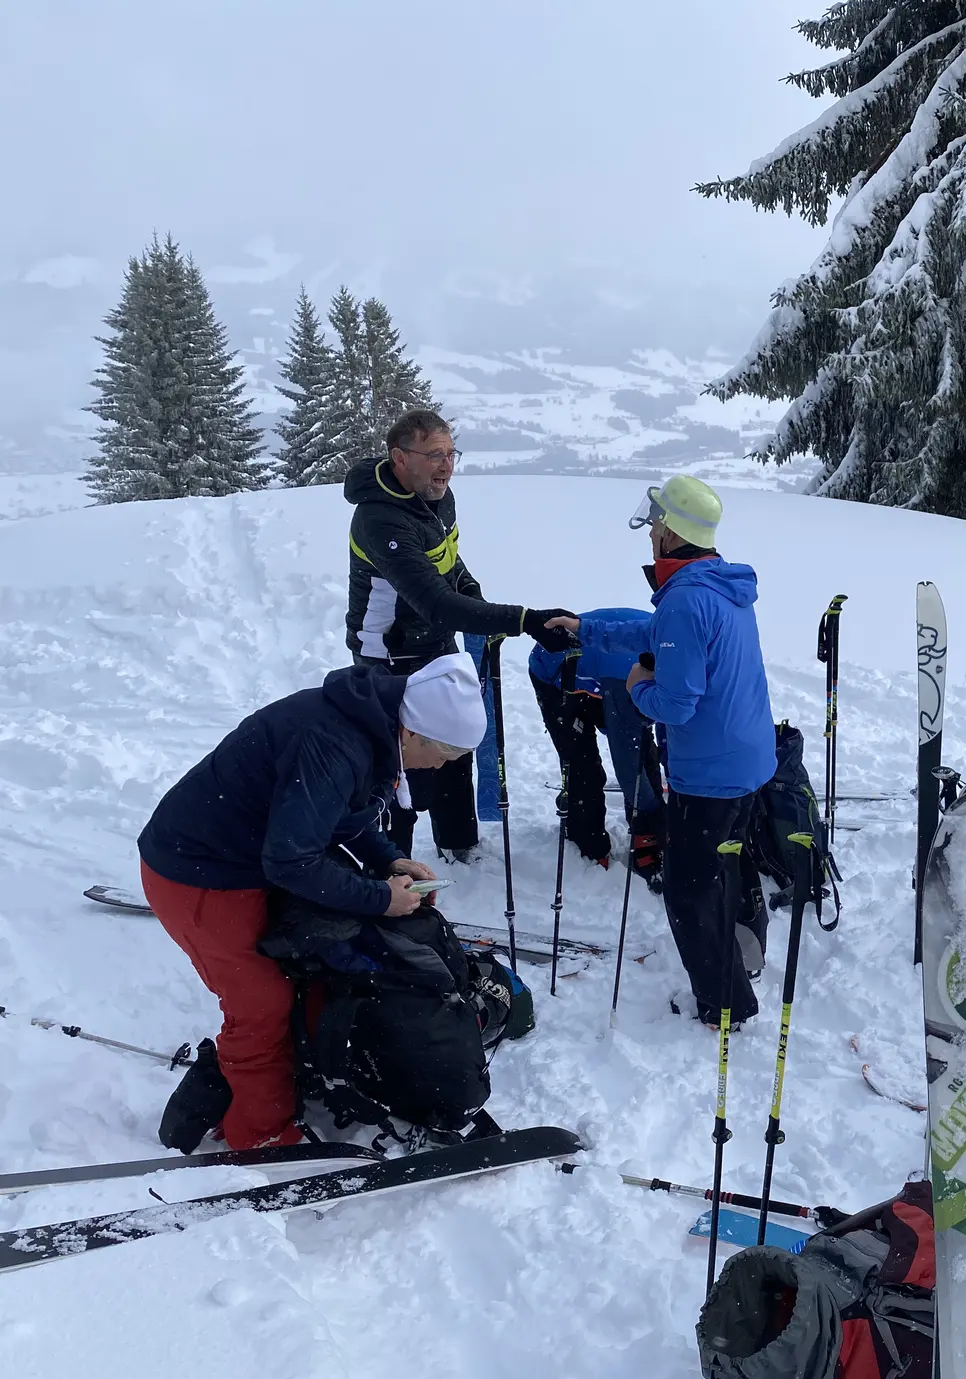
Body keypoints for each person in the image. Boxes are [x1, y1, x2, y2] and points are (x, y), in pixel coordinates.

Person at [138, 653, 490, 1150]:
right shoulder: (334, 743)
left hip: (251, 859)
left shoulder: (371, 726)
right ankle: (261, 1138)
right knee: (261, 1004)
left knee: (308, 965)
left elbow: (346, 813)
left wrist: (389, 860)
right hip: (199, 875)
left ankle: (301, 1069)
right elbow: (292, 862)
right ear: (413, 732)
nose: (446, 766)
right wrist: (379, 900)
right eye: (446, 754)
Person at [546, 475, 774, 1026]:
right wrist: (588, 630)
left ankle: (725, 1004)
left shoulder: (686, 599)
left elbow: (674, 704)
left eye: (655, 522)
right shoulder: (719, 584)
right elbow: (655, 634)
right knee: (726, 860)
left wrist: (633, 686)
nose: (650, 531)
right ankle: (744, 951)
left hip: (708, 773)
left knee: (688, 889)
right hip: (749, 758)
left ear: (671, 531)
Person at [345, 408, 575, 859]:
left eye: (451, 453)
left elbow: (450, 565)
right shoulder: (379, 520)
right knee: (400, 769)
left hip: (436, 644)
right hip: (387, 659)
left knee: (453, 743)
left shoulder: (437, 496)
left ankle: (458, 844)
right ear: (399, 458)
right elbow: (433, 600)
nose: (447, 465)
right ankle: (394, 865)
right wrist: (523, 620)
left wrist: (474, 595)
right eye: (434, 455)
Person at [528, 606, 666, 883]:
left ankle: (647, 835)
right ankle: (588, 843)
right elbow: (628, 766)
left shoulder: (685, 659)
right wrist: (655, 817)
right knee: (583, 764)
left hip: (604, 672)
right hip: (558, 676)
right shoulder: (629, 679)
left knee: (644, 750)